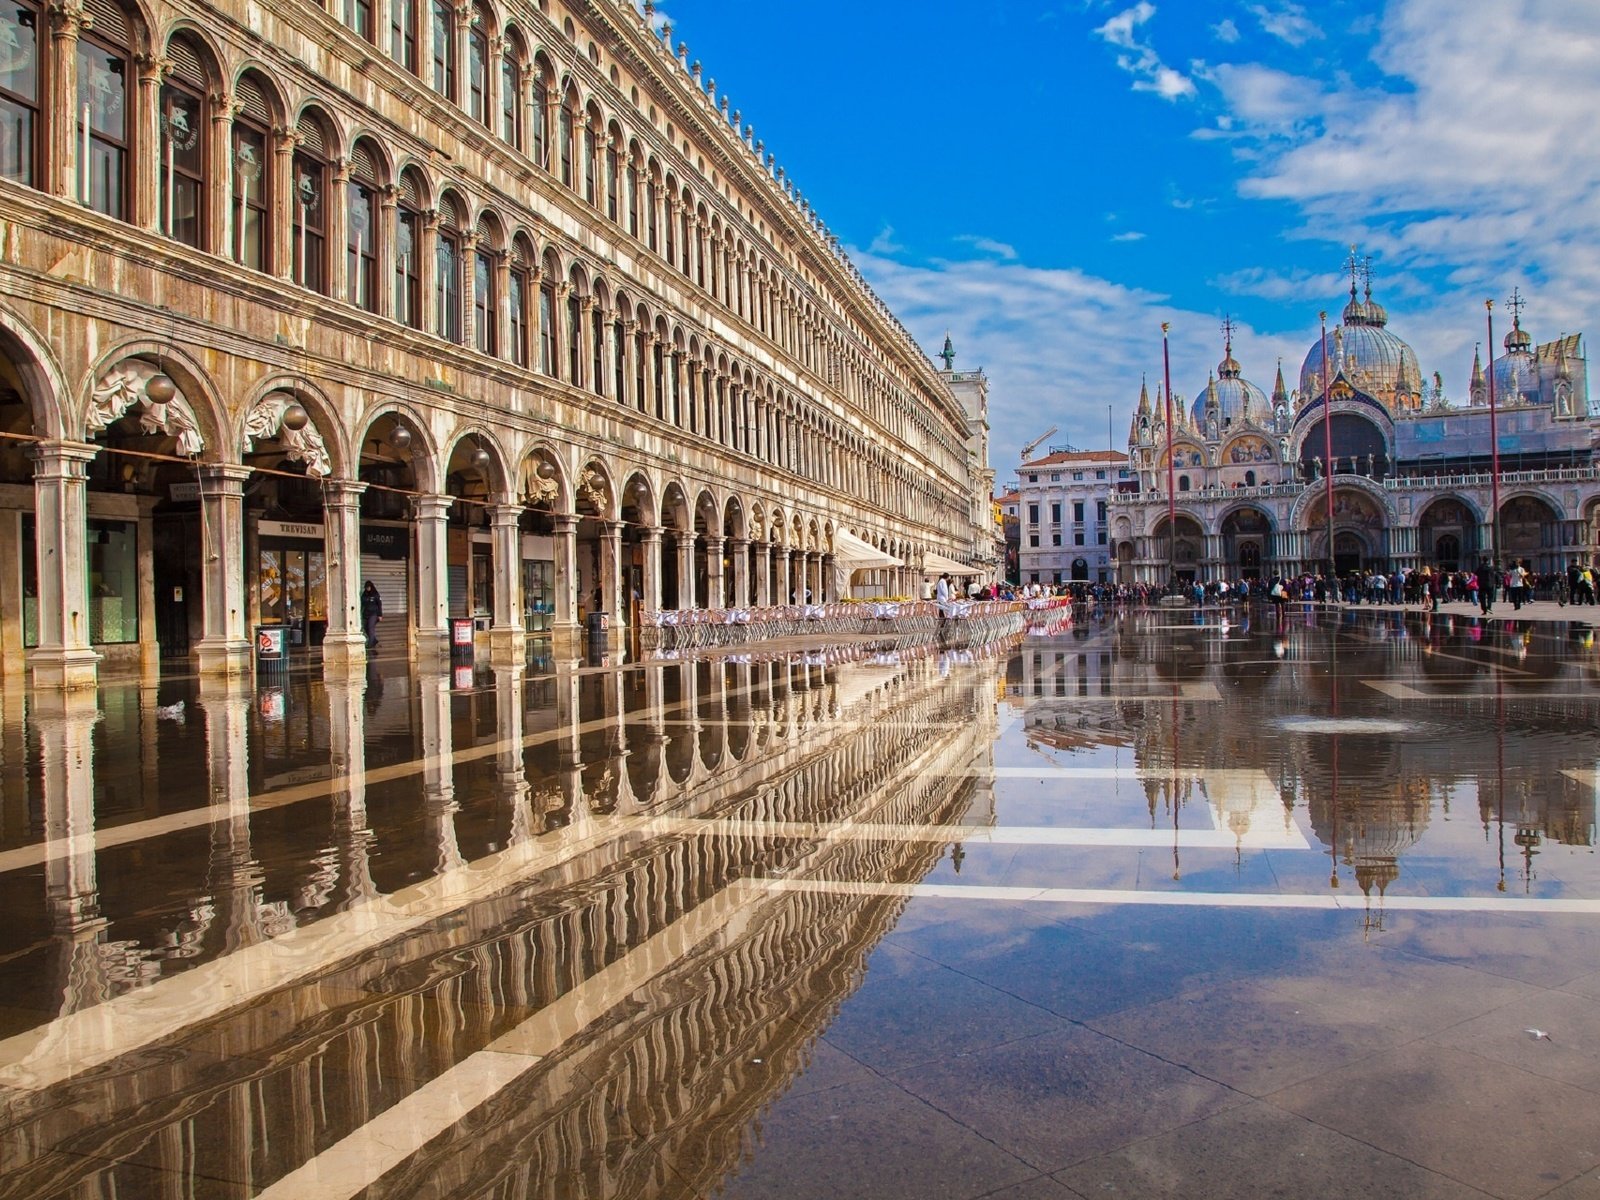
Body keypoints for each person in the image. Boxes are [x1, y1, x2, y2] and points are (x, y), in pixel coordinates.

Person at [360, 580, 383, 648]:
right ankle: (374, 640)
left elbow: (379, 605)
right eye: (366, 587)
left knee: (370, 628)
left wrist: (380, 615)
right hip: (366, 614)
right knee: (366, 628)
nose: (367, 589)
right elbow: (362, 603)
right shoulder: (364, 594)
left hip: (373, 614)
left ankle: (370, 644)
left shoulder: (375, 594)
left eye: (368, 587)